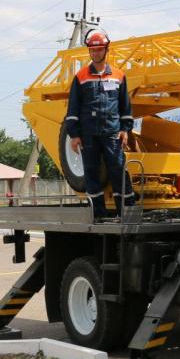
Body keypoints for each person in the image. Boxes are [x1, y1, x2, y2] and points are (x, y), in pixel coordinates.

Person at [64, 30, 135, 220]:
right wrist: (74, 135)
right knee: (91, 174)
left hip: (112, 134)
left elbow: (125, 107)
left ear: (106, 50)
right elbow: (73, 110)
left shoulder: (119, 76)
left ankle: (127, 212)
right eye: (92, 50)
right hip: (89, 136)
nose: (95, 53)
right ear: (89, 51)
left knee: (118, 171)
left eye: (99, 49)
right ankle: (99, 215)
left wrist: (125, 130)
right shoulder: (81, 77)